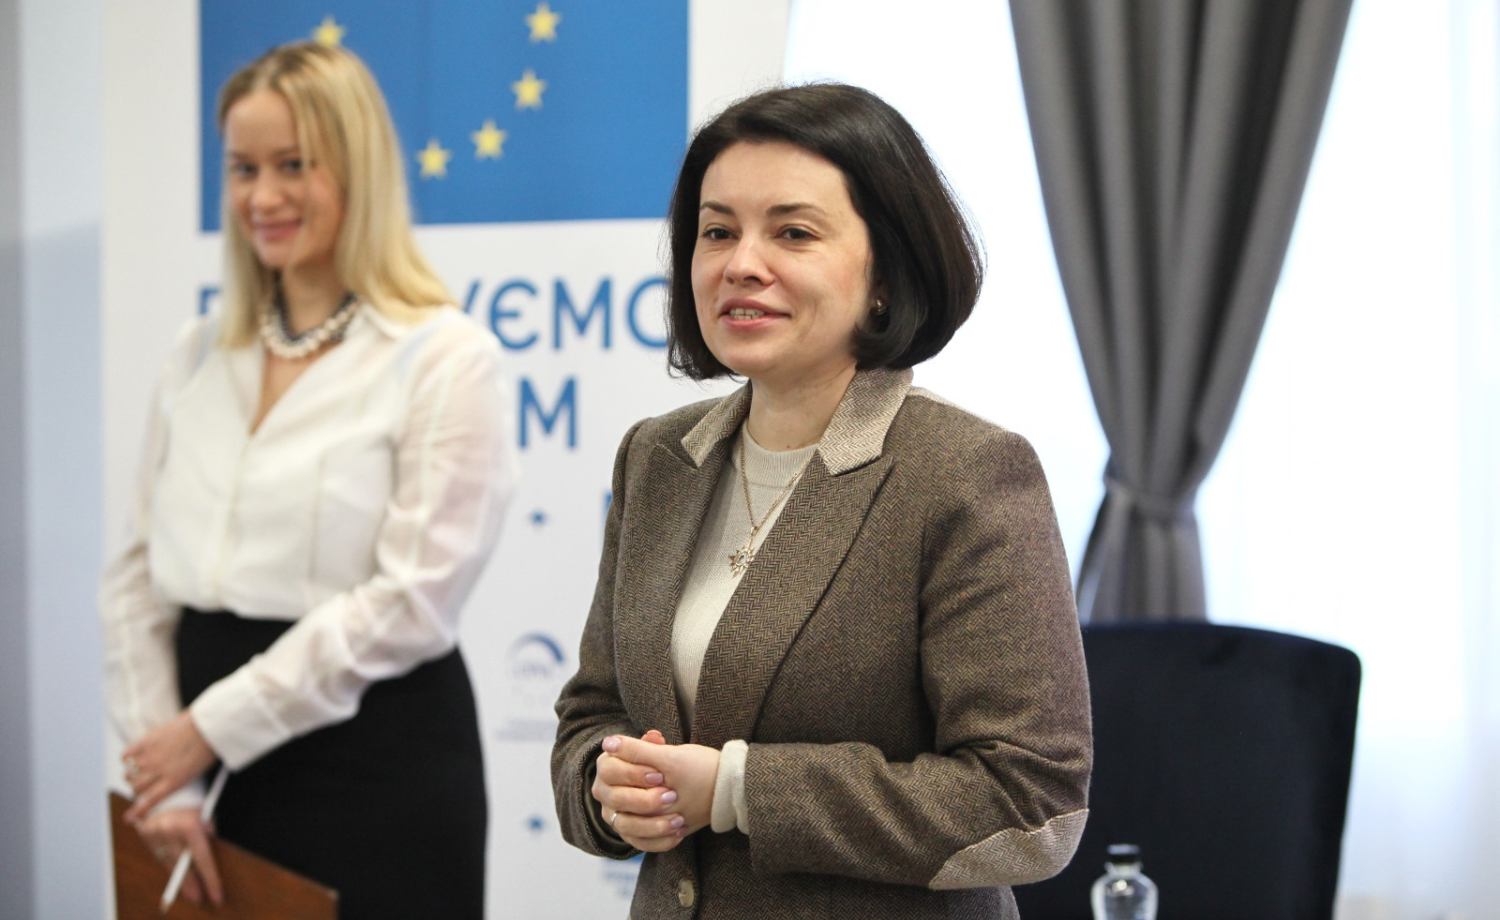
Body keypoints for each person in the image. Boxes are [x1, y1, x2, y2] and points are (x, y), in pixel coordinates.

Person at [551, 83, 1092, 919]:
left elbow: (1030, 807)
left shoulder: (965, 472)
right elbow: (593, 713)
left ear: (885, 274)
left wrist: (736, 790)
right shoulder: (659, 458)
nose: (741, 263)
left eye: (793, 233)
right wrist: (605, 784)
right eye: (717, 231)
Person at [100, 42, 514, 919]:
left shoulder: (445, 357)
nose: (263, 197)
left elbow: (413, 599)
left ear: (356, 168)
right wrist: (166, 775)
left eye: (293, 165)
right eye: (243, 168)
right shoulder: (196, 352)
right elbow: (137, 575)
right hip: (197, 776)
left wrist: (209, 730)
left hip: (373, 770)